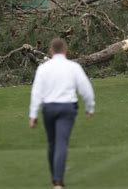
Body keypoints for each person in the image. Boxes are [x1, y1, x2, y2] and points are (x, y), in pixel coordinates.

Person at [29, 38, 95, 189]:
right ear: (65, 51)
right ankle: (58, 181)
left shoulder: (44, 68)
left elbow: (36, 92)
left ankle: (55, 178)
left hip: (49, 108)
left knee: (52, 143)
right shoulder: (73, 67)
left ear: (51, 51)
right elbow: (86, 89)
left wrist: (33, 114)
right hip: (67, 108)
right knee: (61, 142)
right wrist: (90, 108)